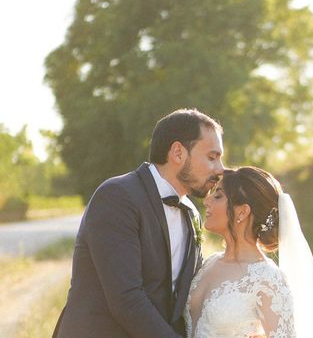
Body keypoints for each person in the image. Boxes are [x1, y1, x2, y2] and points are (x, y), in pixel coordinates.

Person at [53, 108, 225, 338]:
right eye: (212, 157)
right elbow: (126, 298)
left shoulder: (192, 213)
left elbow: (184, 300)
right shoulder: (117, 196)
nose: (220, 169)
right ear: (177, 153)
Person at [186, 166, 313, 338]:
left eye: (218, 195)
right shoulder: (209, 263)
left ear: (242, 212)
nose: (207, 201)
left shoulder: (268, 279)